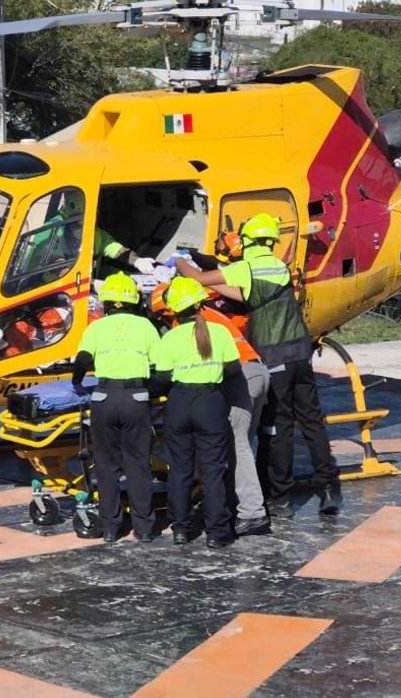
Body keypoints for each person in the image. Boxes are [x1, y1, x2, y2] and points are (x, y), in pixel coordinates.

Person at [173, 214, 340, 518]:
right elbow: (248, 295)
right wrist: (212, 268)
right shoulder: (278, 266)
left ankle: (281, 498)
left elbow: (198, 280)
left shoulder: (247, 267)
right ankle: (328, 488)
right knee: (313, 422)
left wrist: (180, 260)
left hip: (275, 357)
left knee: (279, 428)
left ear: (247, 241)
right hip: (300, 353)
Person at [152, 273, 271, 537]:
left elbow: (213, 369)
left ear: (171, 309)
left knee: (237, 445)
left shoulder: (187, 326)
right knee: (229, 448)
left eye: (162, 315)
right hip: (252, 372)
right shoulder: (210, 318)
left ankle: (252, 513)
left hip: (241, 376)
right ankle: (227, 505)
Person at [71, 273, 162, 543]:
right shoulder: (146, 326)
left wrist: (76, 382)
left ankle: (111, 527)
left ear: (107, 302)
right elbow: (160, 367)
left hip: (104, 399)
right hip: (135, 398)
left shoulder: (96, 327)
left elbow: (82, 360)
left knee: (106, 465)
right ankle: (143, 528)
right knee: (138, 465)